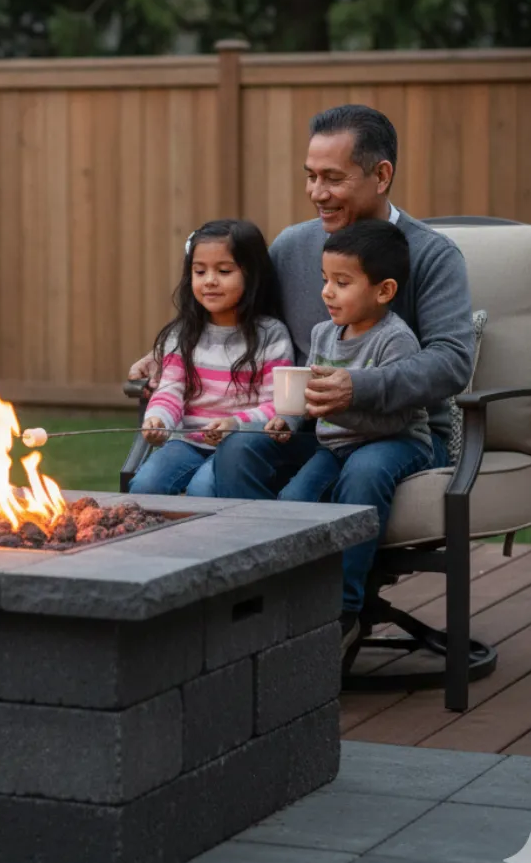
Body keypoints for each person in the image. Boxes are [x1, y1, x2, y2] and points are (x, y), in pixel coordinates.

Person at [128, 105, 473, 654]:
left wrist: (358, 388)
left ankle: (338, 615)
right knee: (241, 451)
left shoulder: (431, 255)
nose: (317, 192)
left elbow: (452, 361)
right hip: (305, 426)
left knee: (364, 467)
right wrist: (166, 355)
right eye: (310, 176)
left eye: (333, 178)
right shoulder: (292, 247)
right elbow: (239, 321)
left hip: (394, 432)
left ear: (381, 175)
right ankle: (257, 600)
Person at [275, 222, 435, 660]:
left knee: (363, 476)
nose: (327, 292)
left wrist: (335, 409)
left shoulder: (395, 340)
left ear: (384, 291)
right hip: (337, 443)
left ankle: (347, 609)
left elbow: (398, 416)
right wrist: (287, 419)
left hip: (397, 440)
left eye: (342, 283)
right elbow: (309, 394)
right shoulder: (323, 334)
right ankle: (300, 602)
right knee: (294, 499)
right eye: (325, 279)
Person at [130, 219, 294, 498]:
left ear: (252, 274)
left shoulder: (271, 335)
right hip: (187, 442)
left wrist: (235, 423)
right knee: (145, 485)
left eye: (224, 271)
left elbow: (277, 404)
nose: (210, 281)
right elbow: (170, 390)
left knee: (202, 490)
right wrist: (158, 420)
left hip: (240, 447)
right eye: (200, 271)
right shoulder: (182, 334)